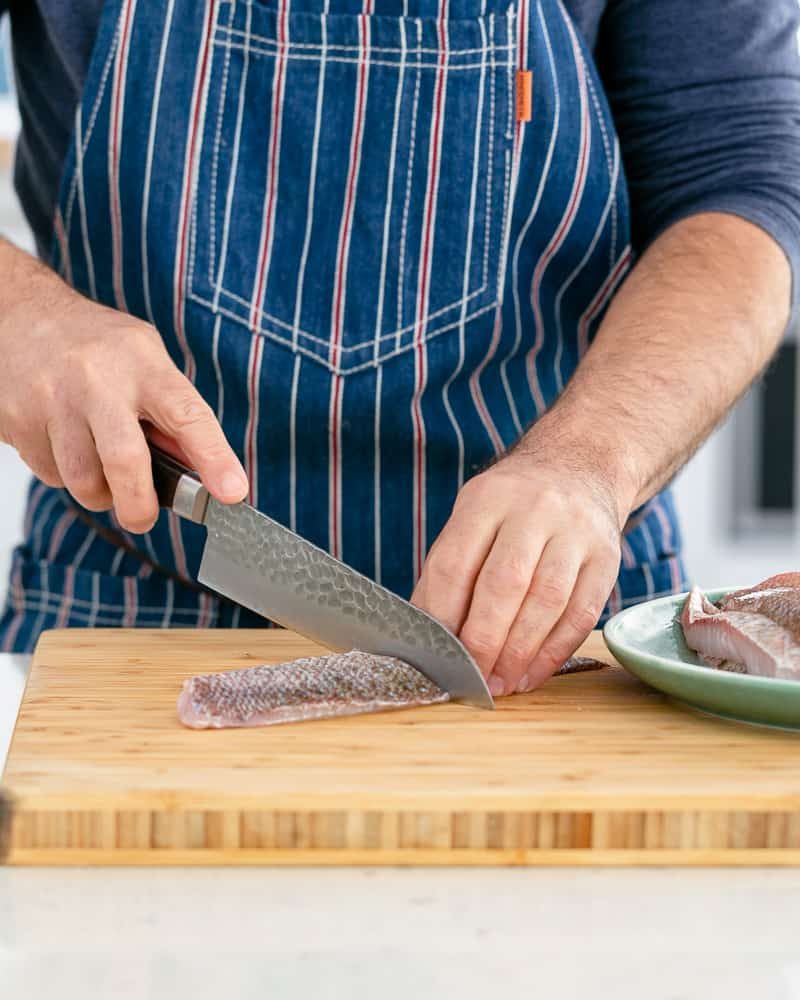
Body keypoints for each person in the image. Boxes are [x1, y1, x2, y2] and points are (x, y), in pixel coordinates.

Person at [0, 0, 797, 699]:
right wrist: (23, 317)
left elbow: (742, 182)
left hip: (559, 626)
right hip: (123, 595)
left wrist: (589, 463)